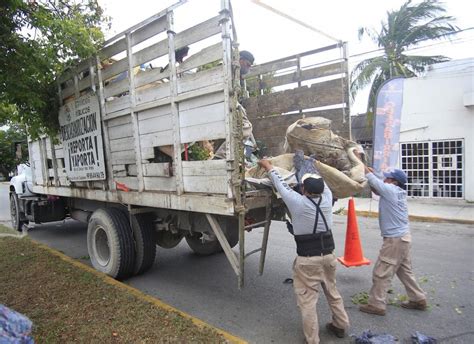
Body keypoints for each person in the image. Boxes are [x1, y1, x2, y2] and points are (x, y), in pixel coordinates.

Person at [258, 159, 349, 344]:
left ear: (304, 190)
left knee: (308, 301)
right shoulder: (328, 198)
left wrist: (268, 166)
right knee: (332, 291)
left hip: (308, 261)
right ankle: (341, 325)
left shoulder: (297, 202)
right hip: (329, 257)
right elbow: (325, 182)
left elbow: (280, 184)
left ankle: (312, 340)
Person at [358, 163, 427, 316]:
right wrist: (371, 176)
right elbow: (376, 187)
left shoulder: (390, 190)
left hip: (395, 240)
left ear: (394, 181)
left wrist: (357, 158)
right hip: (403, 238)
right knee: (405, 272)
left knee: (381, 272)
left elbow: (373, 180)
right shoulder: (396, 191)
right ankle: (418, 298)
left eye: (387, 179)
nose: (384, 181)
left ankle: (377, 304)